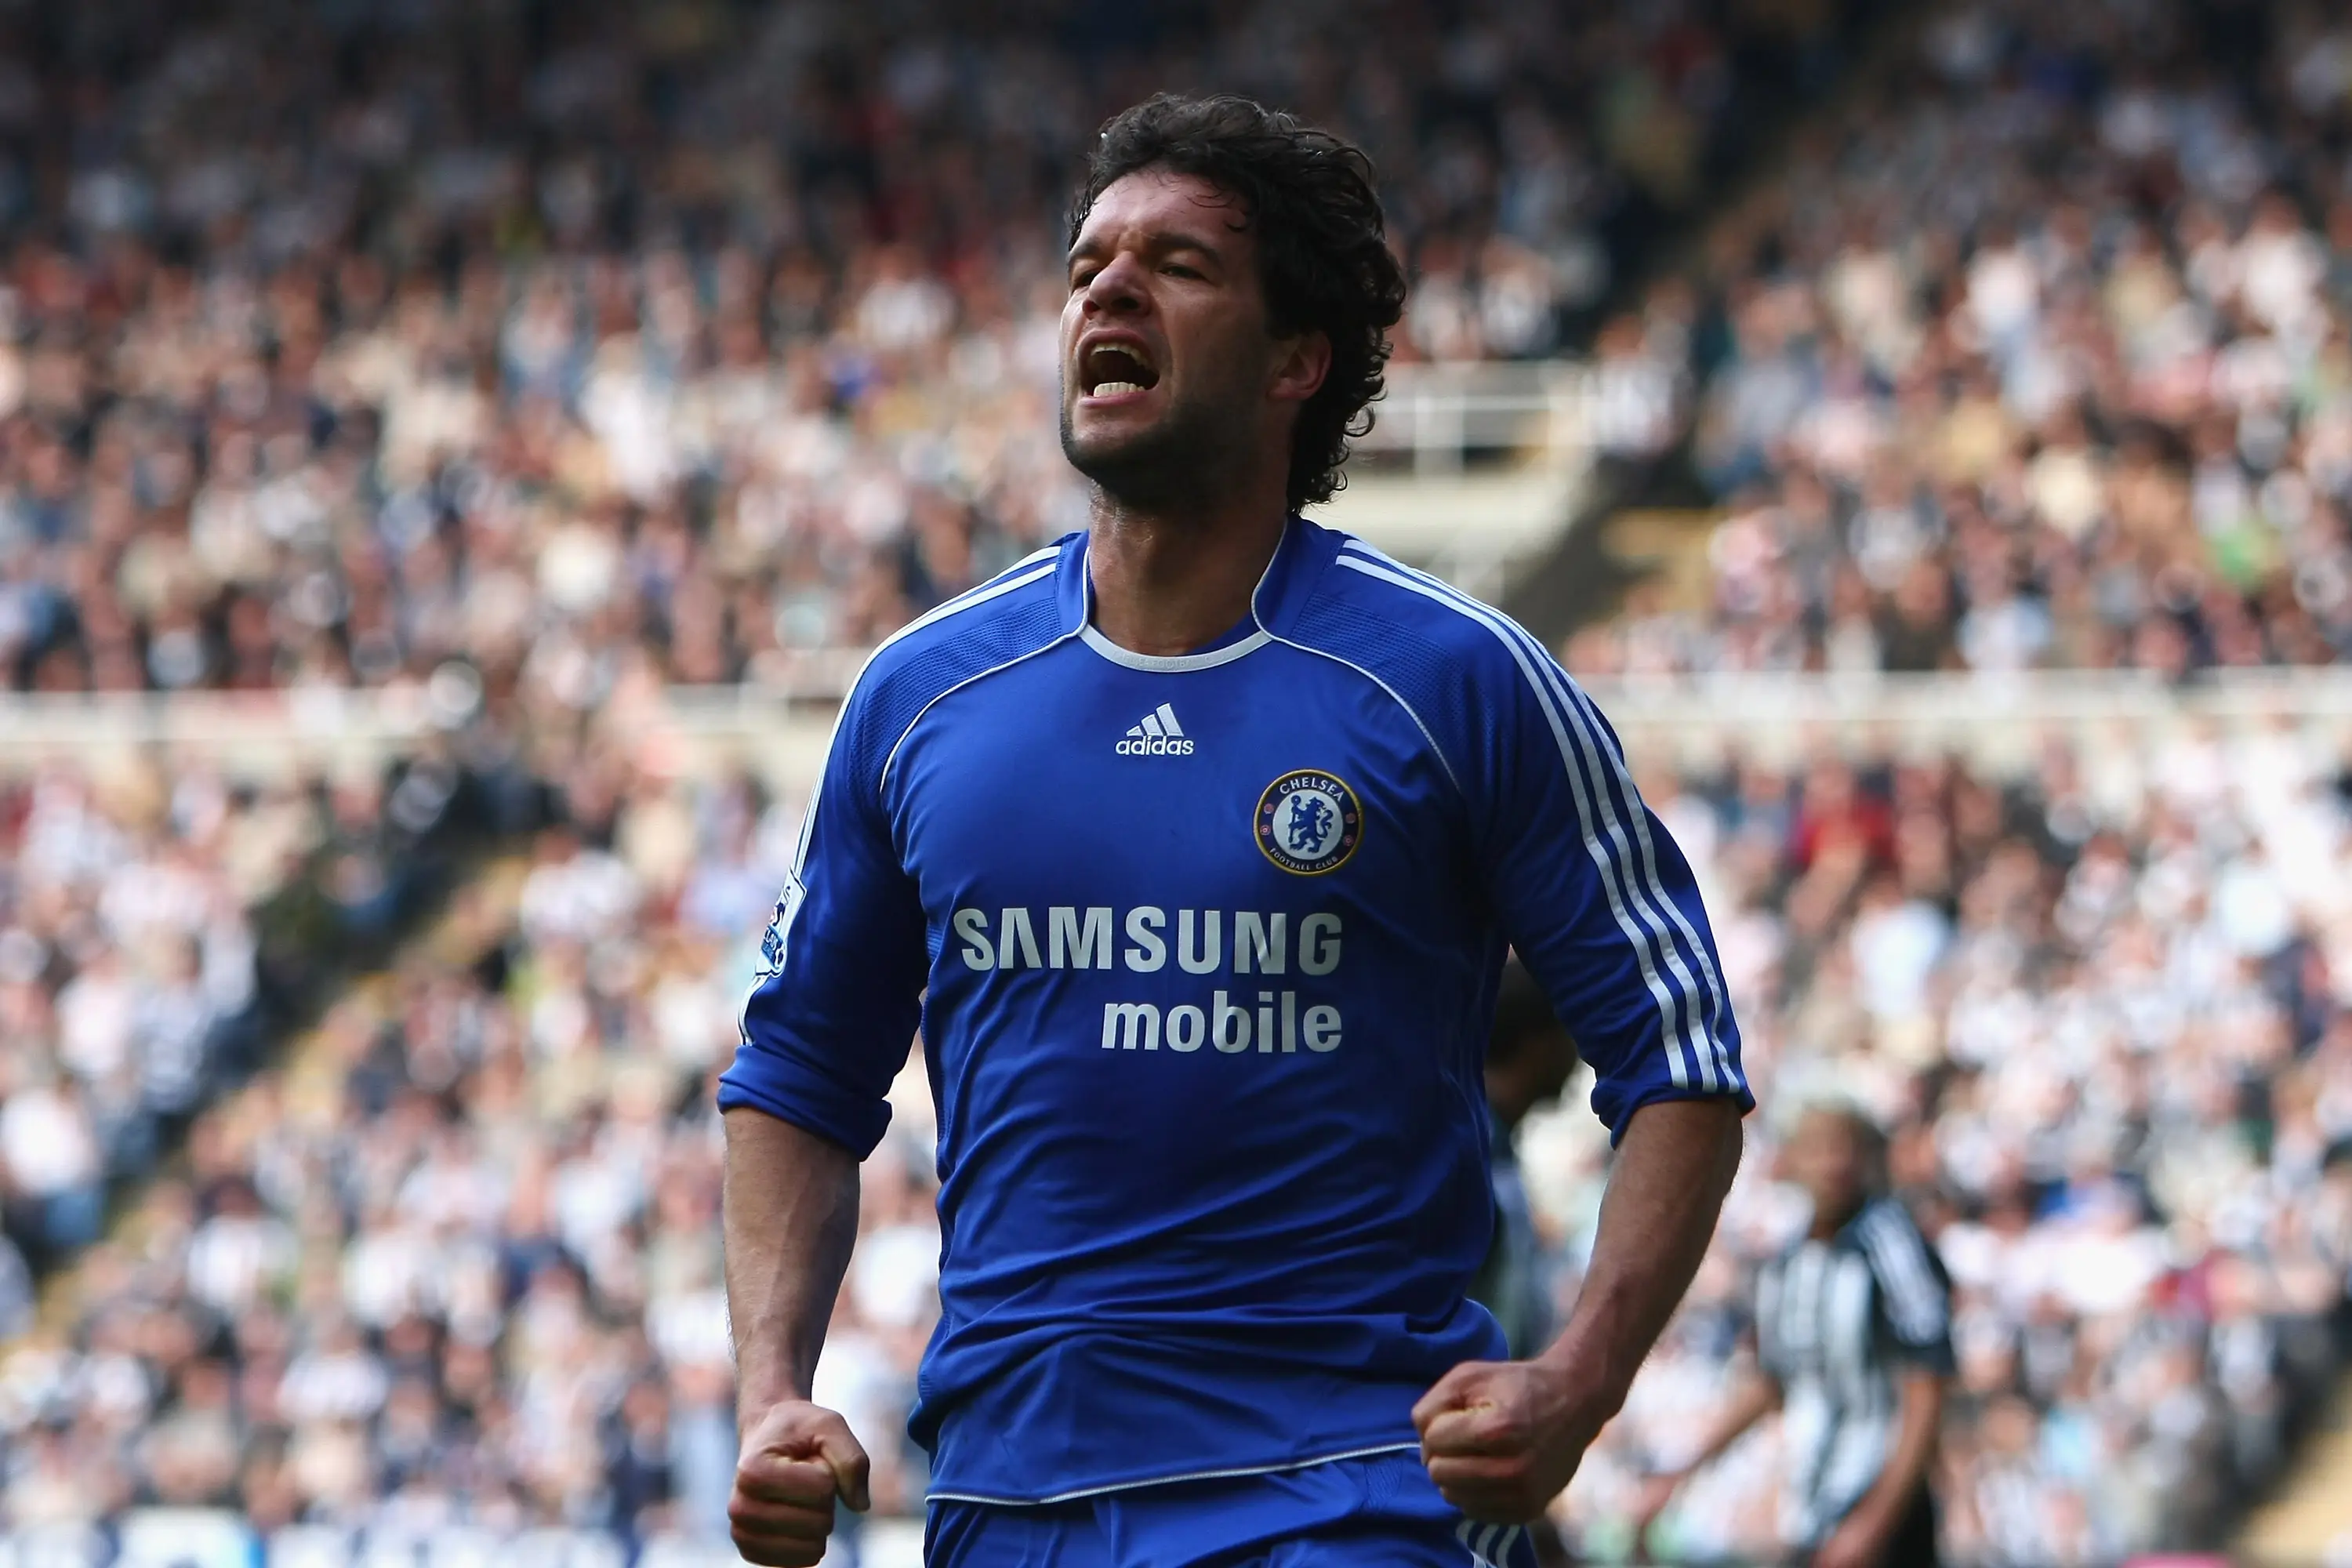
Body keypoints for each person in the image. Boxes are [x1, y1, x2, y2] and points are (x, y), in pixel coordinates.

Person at [718, 93, 1751, 1568]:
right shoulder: (922, 695)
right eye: (1088, 267)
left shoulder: (1457, 682)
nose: (1109, 291)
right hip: (1015, 1507)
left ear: (1296, 361)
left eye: (1179, 265)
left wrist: (1578, 1382)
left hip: (1355, 1496)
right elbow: (799, 1078)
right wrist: (770, 1394)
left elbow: (1682, 1060)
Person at [1633, 1103, 1951, 1567]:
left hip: (1884, 1508)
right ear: (1789, 1160)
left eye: (1845, 1147)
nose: (1833, 1163)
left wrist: (1872, 1524)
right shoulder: (1787, 1264)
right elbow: (1772, 1381)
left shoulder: (1892, 1244)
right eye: (1817, 1148)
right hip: (1814, 1501)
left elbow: (1926, 1392)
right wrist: (1679, 1475)